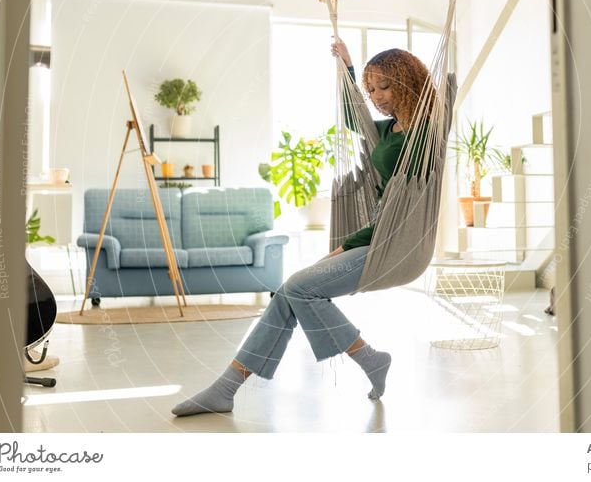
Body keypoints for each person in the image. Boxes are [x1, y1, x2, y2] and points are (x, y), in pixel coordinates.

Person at [171, 40, 434, 416]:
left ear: (407, 83)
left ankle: (370, 359)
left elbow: (401, 210)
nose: (375, 97)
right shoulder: (391, 129)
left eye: (384, 87)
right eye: (370, 89)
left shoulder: (423, 134)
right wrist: (346, 69)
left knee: (299, 287)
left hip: (396, 243)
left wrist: (347, 245)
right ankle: (226, 388)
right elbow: (353, 118)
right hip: (377, 236)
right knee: (288, 293)